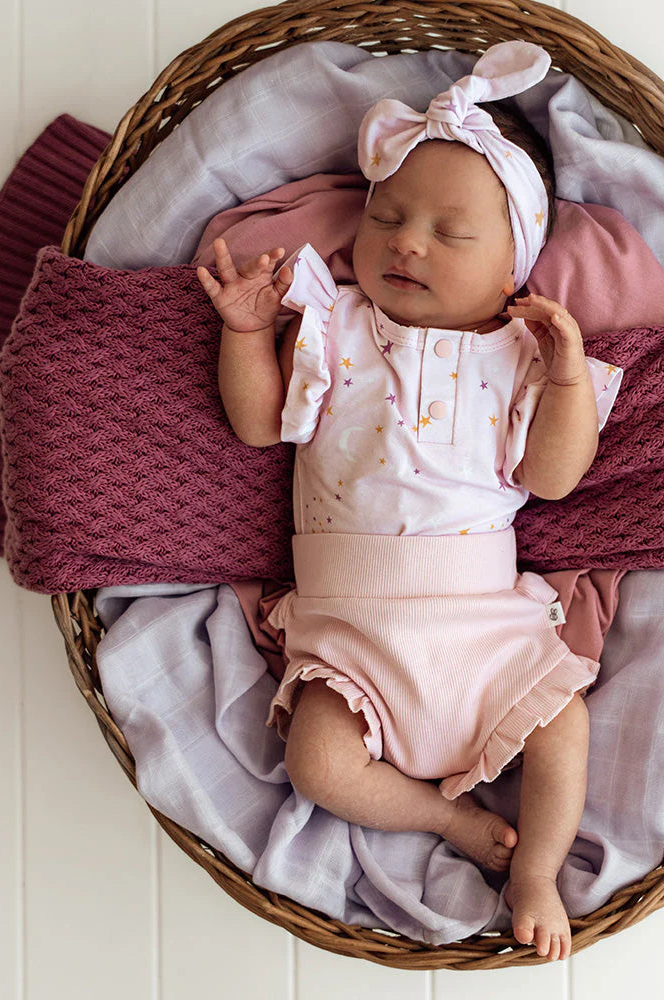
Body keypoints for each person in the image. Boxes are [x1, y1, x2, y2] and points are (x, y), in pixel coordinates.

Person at [197, 41, 622, 962]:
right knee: (316, 765)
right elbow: (260, 426)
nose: (407, 240)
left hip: (483, 632)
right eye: (389, 215)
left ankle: (538, 870)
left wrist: (566, 384)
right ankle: (449, 823)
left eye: (449, 231)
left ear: (517, 265)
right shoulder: (338, 323)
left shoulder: (524, 357)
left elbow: (552, 478)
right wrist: (245, 335)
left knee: (564, 724)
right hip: (353, 636)